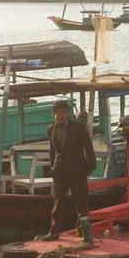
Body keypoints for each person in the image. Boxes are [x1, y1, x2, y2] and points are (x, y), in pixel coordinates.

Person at [39, 100, 96, 240]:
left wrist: (90, 166)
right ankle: (54, 232)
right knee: (58, 204)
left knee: (82, 204)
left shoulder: (78, 128)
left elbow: (88, 148)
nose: (63, 115)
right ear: (54, 113)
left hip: (78, 171)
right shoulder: (51, 129)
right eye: (60, 112)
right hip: (60, 172)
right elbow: (52, 150)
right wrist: (52, 167)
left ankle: (84, 233)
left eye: (65, 112)